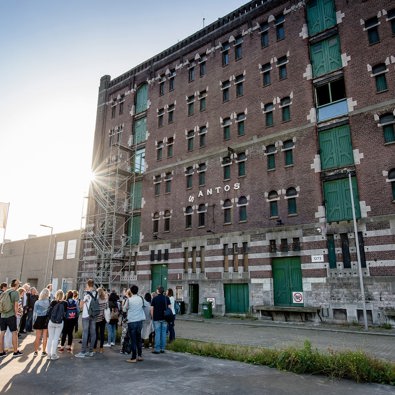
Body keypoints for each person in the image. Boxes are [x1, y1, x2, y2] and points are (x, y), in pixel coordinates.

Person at [0, 279, 23, 357]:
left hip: (3, 315)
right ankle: (15, 351)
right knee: (14, 333)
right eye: (18, 284)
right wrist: (16, 315)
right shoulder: (15, 293)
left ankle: (1, 352)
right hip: (11, 315)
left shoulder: (5, 292)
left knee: (2, 333)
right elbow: (16, 306)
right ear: (16, 285)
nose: (19, 285)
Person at [75, 279, 97, 358]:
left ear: (88, 285)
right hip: (94, 315)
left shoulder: (86, 294)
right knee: (93, 333)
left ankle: (83, 352)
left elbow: (81, 306)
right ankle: (91, 351)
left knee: (85, 333)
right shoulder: (96, 293)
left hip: (86, 315)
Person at [124, 285, 145, 363]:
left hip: (132, 321)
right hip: (139, 321)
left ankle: (133, 357)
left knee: (133, 340)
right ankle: (139, 356)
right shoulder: (140, 298)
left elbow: (124, 308)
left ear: (131, 291)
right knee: (139, 339)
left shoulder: (129, 300)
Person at [46, 289, 67, 360]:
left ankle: (48, 354)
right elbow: (65, 314)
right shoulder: (65, 303)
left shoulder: (53, 302)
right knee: (56, 338)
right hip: (60, 323)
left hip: (51, 322)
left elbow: (48, 312)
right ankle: (53, 354)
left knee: (50, 338)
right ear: (63, 296)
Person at [150, 286, 171, 354]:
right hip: (165, 318)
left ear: (158, 291)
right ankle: (162, 348)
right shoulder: (166, 298)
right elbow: (169, 308)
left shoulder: (154, 298)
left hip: (156, 318)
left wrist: (153, 317)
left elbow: (152, 309)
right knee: (164, 333)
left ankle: (157, 349)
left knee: (157, 333)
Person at [32, 288, 51, 356]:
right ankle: (43, 351)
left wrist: (33, 321)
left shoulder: (37, 302)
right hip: (46, 319)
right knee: (45, 336)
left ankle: (35, 352)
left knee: (37, 336)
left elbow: (34, 313)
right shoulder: (49, 301)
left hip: (39, 319)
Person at [93, 288, 108, 353]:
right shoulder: (105, 300)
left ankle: (94, 348)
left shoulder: (96, 300)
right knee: (102, 334)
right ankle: (101, 348)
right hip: (103, 319)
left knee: (95, 333)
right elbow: (106, 308)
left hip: (96, 319)